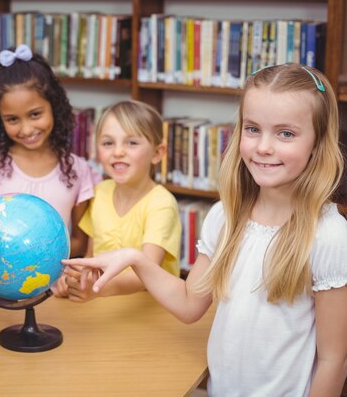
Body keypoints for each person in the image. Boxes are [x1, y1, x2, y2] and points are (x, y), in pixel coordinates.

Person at [66, 64, 347, 396]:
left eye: (286, 133)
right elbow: (189, 305)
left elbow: (334, 360)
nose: (264, 147)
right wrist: (134, 259)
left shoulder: (329, 234)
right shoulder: (224, 217)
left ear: (317, 142)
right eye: (253, 129)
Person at [0, 44, 101, 263]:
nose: (26, 130)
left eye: (35, 114)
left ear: (54, 106)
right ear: (0, 119)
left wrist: (40, 255)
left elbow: (79, 243)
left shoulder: (78, 171)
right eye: (12, 119)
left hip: (55, 290)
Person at [63, 100, 181, 301]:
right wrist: (74, 281)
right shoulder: (100, 193)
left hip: (152, 309)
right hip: (105, 305)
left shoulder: (162, 204)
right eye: (108, 143)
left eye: (132, 143)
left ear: (157, 153)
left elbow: (147, 273)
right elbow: (92, 256)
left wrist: (96, 289)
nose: (118, 152)